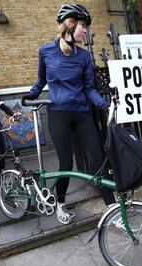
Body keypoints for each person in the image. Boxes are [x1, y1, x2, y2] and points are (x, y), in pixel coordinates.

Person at [22, 4, 116, 224]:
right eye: (83, 25)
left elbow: (89, 88)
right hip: (58, 114)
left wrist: (102, 104)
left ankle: (111, 207)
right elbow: (41, 80)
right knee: (65, 164)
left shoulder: (83, 57)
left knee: (97, 159)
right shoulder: (46, 51)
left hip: (82, 114)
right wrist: (32, 94)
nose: (85, 31)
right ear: (70, 24)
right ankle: (60, 203)